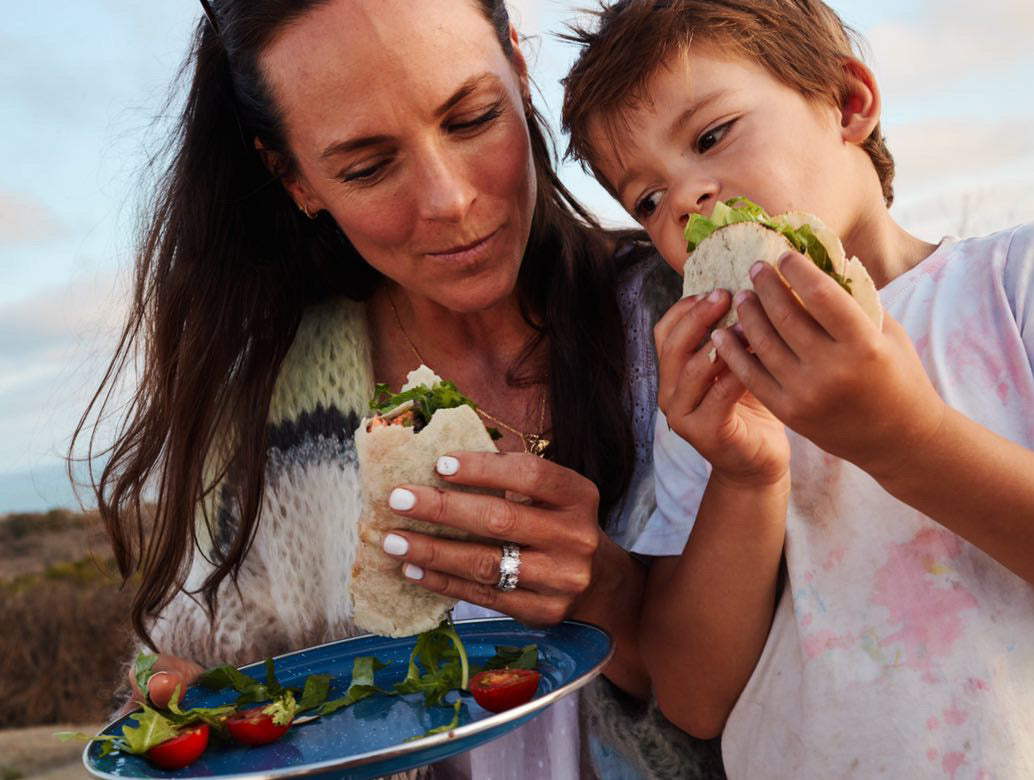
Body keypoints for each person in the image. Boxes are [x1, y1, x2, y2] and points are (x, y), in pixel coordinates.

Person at [71, 0, 722, 777]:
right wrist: (184, 721)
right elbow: (196, 683)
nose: (449, 200)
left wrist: (613, 592)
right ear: (294, 179)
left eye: (473, 117)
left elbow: (818, 684)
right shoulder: (266, 412)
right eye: (369, 167)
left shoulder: (693, 318)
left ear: (518, 64)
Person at [560, 0, 1034, 776]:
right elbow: (692, 698)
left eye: (712, 136)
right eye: (646, 199)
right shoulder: (719, 392)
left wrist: (909, 441)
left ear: (848, 104)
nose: (682, 201)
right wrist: (747, 475)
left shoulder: (1025, 283)